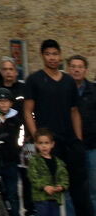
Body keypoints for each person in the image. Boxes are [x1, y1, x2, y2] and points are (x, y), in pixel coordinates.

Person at [24, 38, 92, 215]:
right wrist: (38, 140)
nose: (52, 57)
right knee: (48, 191)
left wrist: (78, 139)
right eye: (48, 54)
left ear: (60, 56)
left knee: (77, 188)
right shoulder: (34, 80)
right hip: (48, 144)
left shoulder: (68, 81)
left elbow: (74, 111)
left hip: (69, 141)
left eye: (55, 54)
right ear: (42, 56)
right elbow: (28, 111)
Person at [0, 56, 34, 215]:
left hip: (26, 141)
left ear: (16, 71)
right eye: (5, 69)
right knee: (8, 182)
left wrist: (29, 133)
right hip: (4, 144)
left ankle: (29, 209)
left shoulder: (24, 88)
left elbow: (31, 111)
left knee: (28, 177)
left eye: (11, 69)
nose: (8, 72)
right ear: (1, 71)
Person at [67, 53, 96, 215]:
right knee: (72, 189)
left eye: (80, 67)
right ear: (68, 69)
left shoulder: (94, 90)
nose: (76, 70)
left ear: (85, 70)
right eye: (73, 67)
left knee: (93, 189)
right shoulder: (63, 90)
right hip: (70, 146)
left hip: (92, 145)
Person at [0, 87, 23, 216]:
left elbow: (20, 139)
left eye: (6, 101)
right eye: (0, 101)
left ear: (11, 103)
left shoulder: (16, 120)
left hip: (11, 161)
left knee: (12, 192)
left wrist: (15, 149)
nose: (3, 104)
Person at [27, 128, 69, 216]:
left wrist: (61, 186)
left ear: (52, 144)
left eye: (46, 143)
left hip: (55, 198)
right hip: (41, 198)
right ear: (36, 144)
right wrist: (44, 186)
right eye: (40, 143)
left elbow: (64, 177)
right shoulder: (34, 161)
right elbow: (33, 177)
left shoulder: (59, 162)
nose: (44, 146)